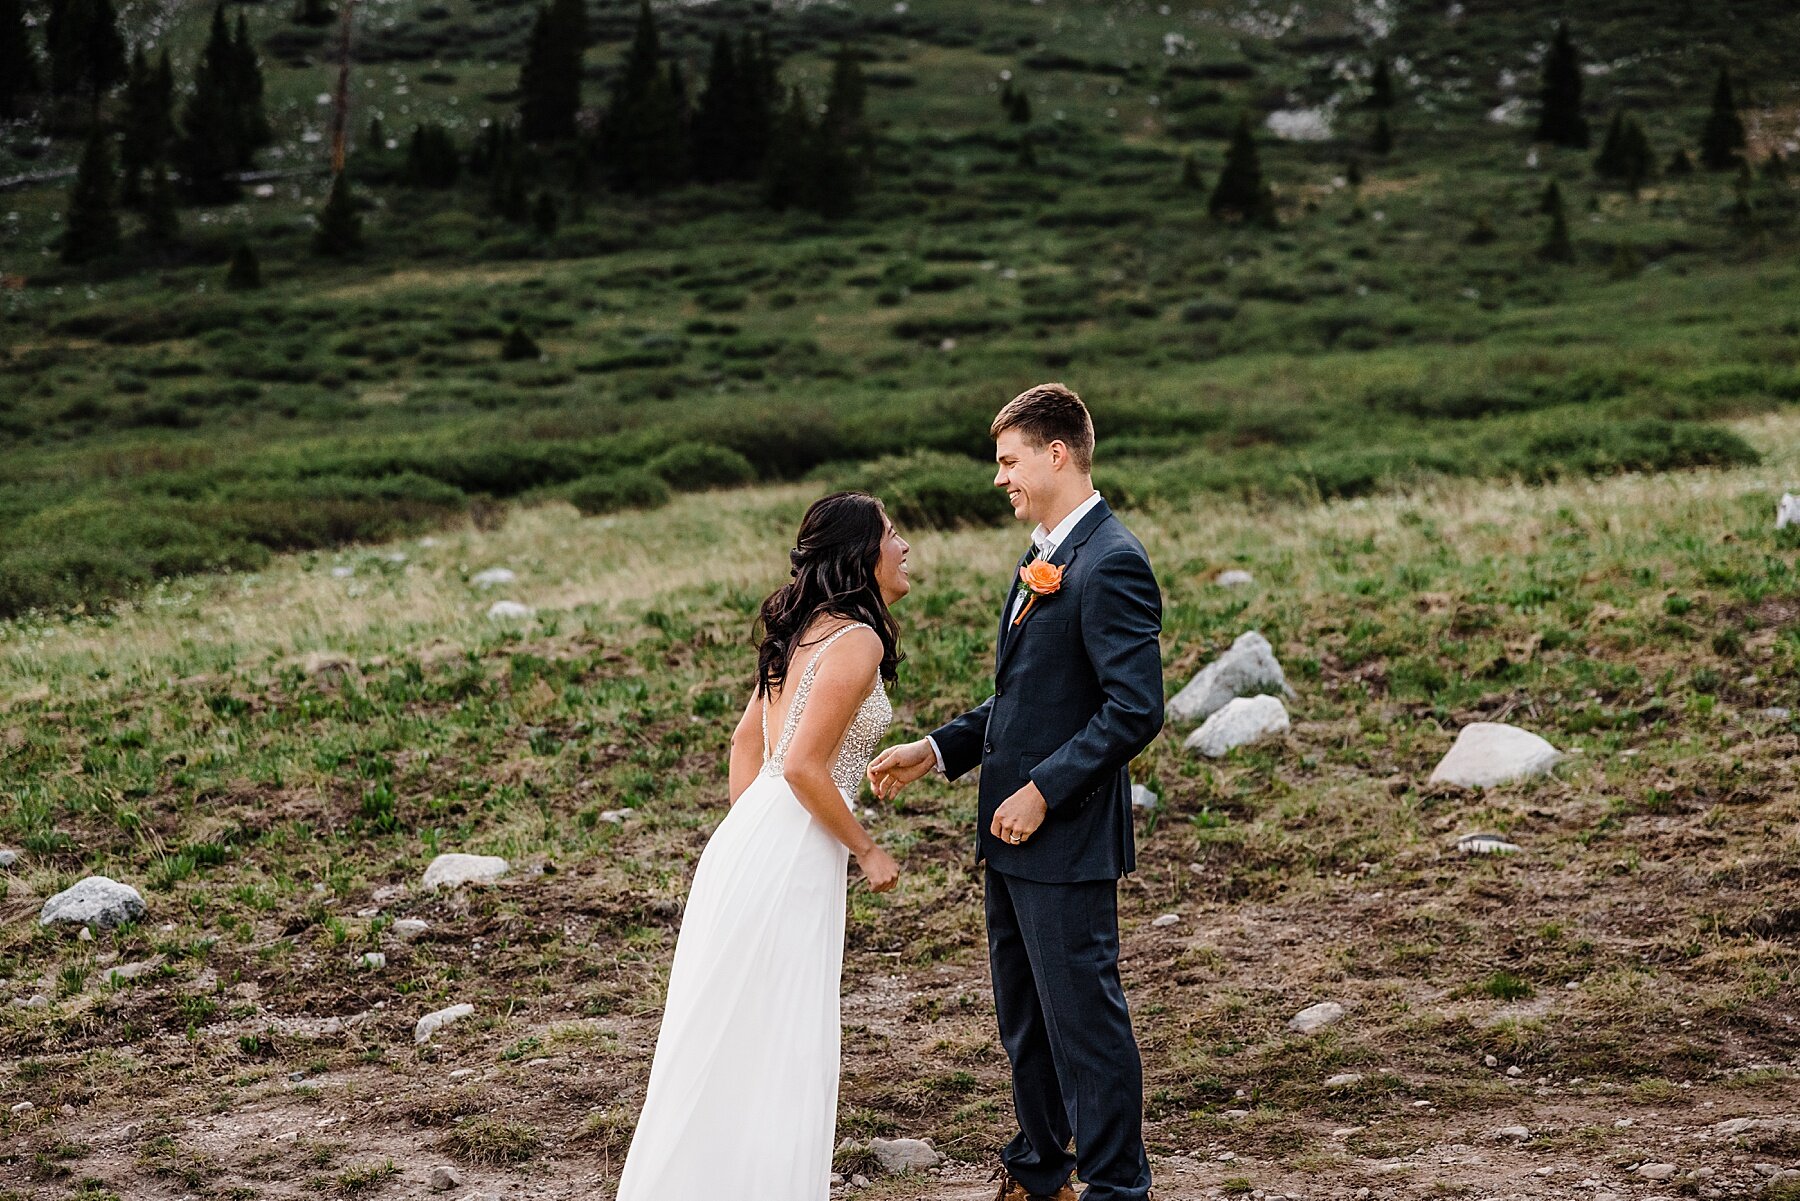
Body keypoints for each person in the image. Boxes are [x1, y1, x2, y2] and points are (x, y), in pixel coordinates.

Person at [870, 383, 1164, 1201]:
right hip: (1009, 838)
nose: (1000, 477)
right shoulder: (1048, 553)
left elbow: (1135, 708)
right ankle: (1041, 1174)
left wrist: (1043, 789)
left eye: (1009, 459)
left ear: (1056, 453)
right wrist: (936, 749)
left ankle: (1115, 1188)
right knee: (1026, 1023)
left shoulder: (1113, 560)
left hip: (1063, 836)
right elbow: (1030, 698)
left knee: (1086, 1025)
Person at [615, 491, 908, 1200]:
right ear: (861, 552)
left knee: (728, 1030)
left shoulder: (799, 629)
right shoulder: (859, 639)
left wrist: (753, 835)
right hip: (792, 845)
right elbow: (805, 765)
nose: (905, 549)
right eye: (894, 535)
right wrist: (867, 849)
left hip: (749, 839)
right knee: (781, 1035)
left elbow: (749, 744)